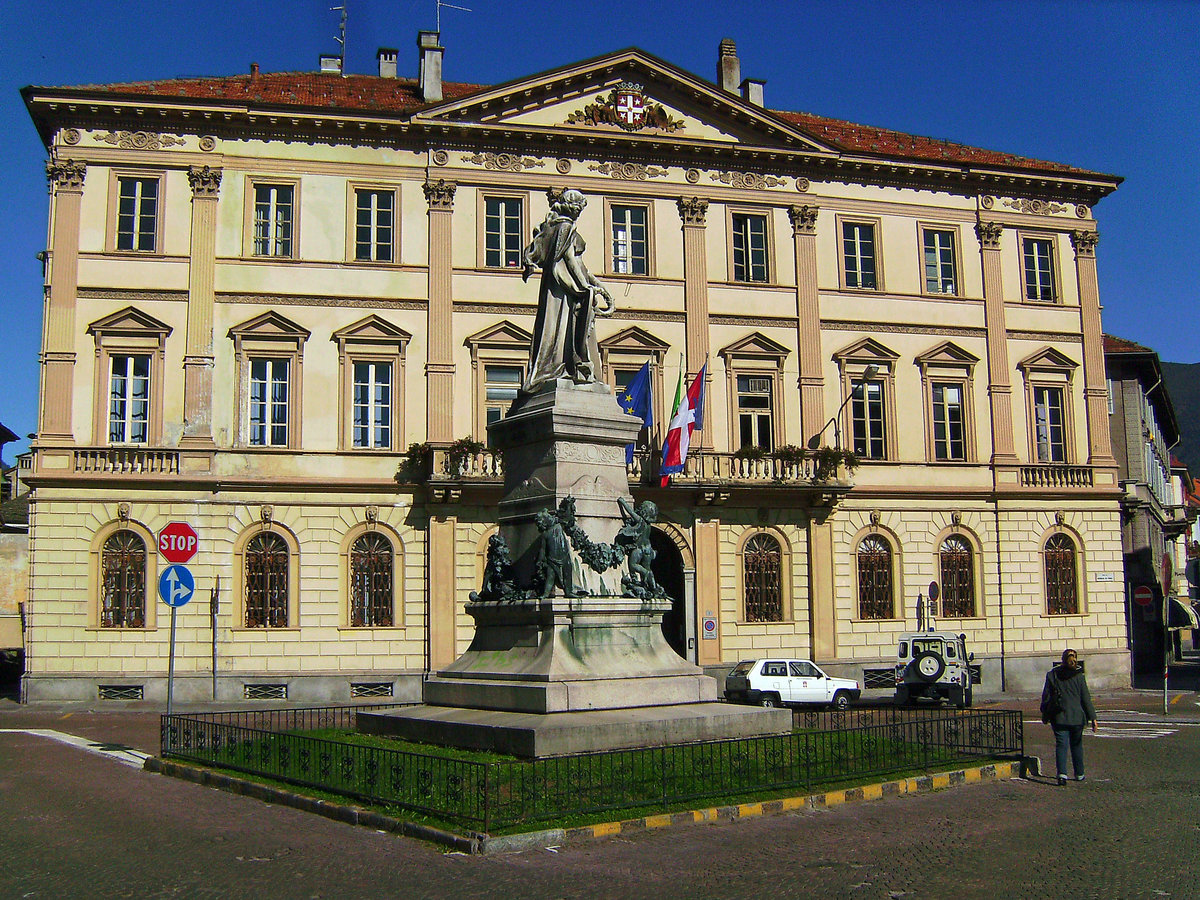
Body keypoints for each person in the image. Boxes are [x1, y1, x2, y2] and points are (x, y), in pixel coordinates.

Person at [521, 189, 614, 392]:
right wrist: (585, 286)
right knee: (560, 328)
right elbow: (570, 259)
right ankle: (559, 367)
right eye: (579, 208)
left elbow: (581, 266)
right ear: (572, 207)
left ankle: (562, 366)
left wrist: (596, 284)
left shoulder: (554, 227)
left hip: (561, 288)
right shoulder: (565, 227)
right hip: (563, 290)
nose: (579, 212)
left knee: (558, 329)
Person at [1040, 648, 1098, 784]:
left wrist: (1045, 713)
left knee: (1061, 745)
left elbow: (1046, 696)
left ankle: (1062, 775)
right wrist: (1093, 718)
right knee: (1077, 746)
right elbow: (1086, 698)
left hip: (1059, 716)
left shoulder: (1052, 675)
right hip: (1077, 717)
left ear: (1062, 659)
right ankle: (1079, 774)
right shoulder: (1079, 676)